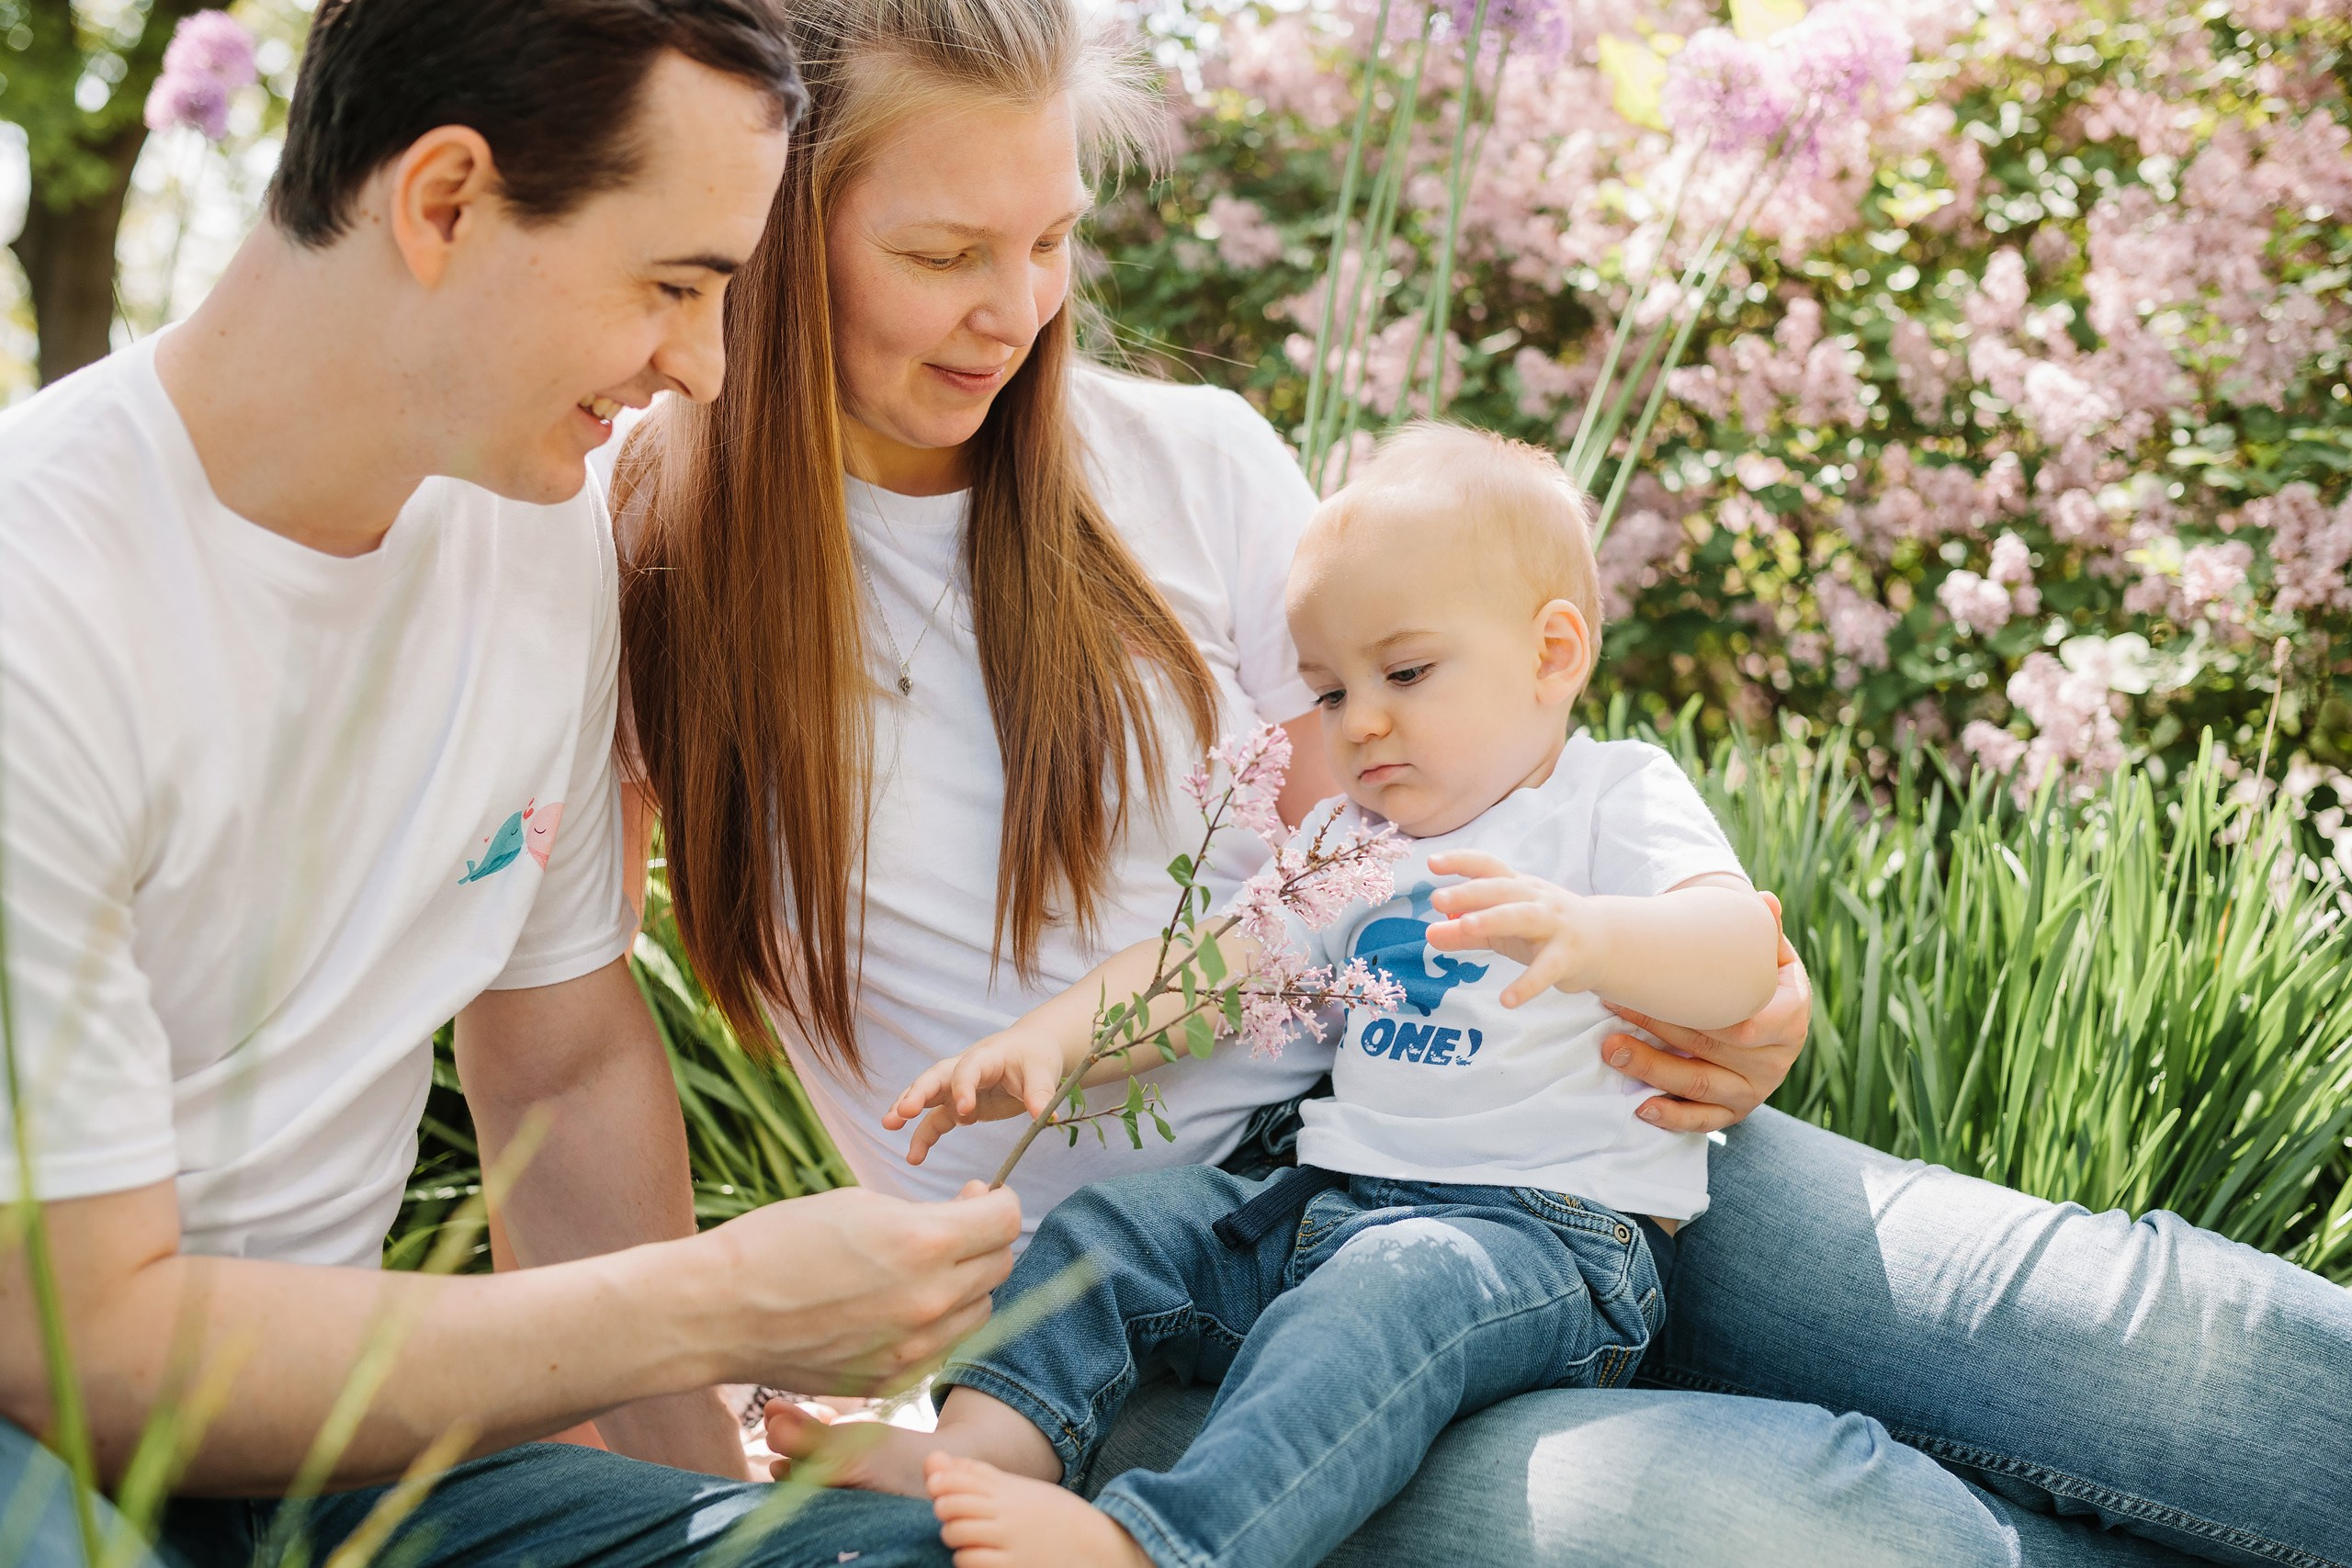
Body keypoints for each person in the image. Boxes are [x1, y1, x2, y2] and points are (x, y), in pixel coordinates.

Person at [621, 0, 2352, 1561]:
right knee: (1820, 1527)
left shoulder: (1189, 466)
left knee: (2160, 1338)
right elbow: (557, 1033)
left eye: (1056, 236)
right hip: (1149, 1296)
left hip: (1517, 1119)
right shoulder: (629, 549)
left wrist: (1739, 988)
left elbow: (1401, 830)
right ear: (765, 222)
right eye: (944, 252)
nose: (1019, 309)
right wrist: (682, 1454)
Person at [0, 5, 1016, 1565]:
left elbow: (561, 1066)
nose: (704, 363)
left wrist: (727, 1507)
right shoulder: (40, 612)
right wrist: (723, 1300)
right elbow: (97, 1356)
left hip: (335, 1449)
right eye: (673, 283)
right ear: (446, 202)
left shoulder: (524, 524)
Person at [842, 423, 1780, 1568]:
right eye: (1331, 690)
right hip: (1323, 1209)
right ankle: (975, 1453)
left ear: (1552, 653)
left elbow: (1738, 958)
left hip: (1544, 1243)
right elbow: (1213, 969)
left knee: (1384, 1295)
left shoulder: (1607, 798)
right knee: (1121, 1229)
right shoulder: (1351, 841)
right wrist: (1052, 1043)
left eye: (1405, 673)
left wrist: (1598, 938)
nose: (1360, 722)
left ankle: (1163, 1549)